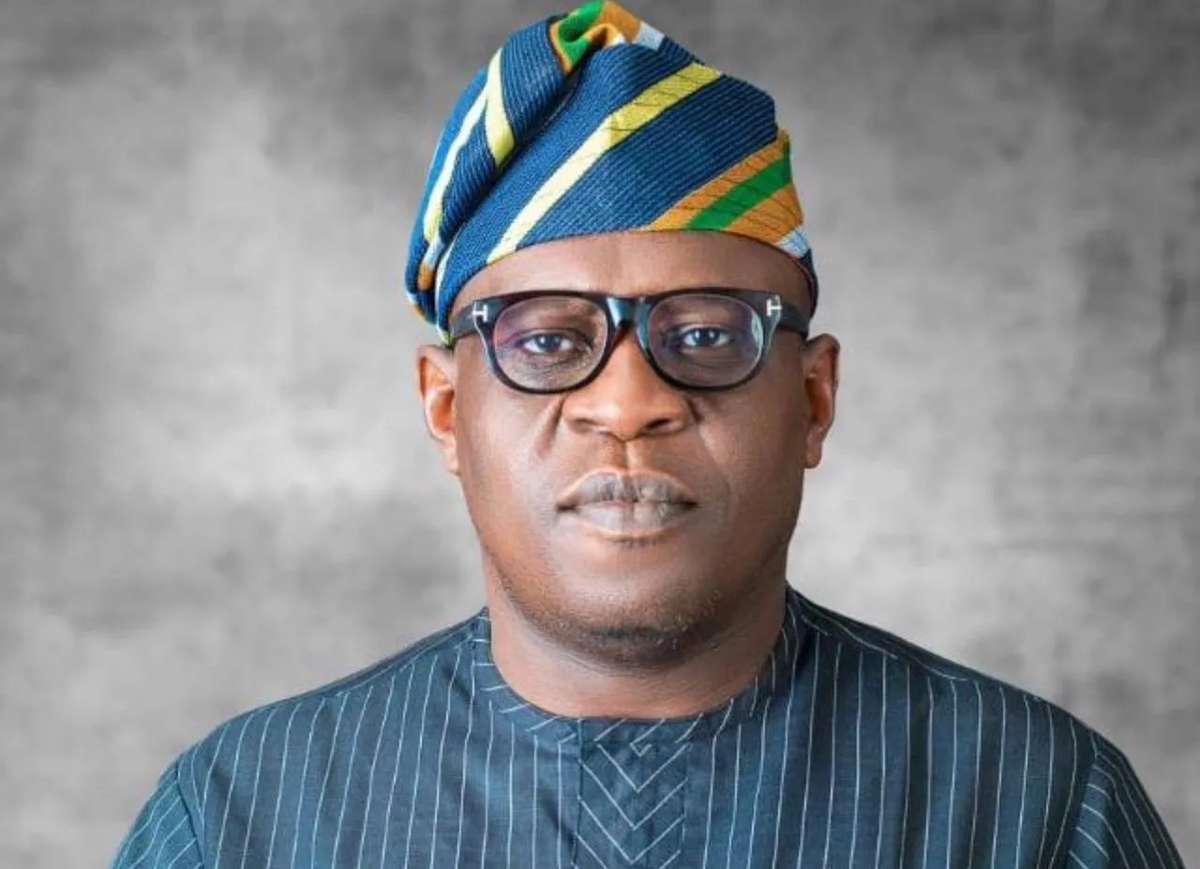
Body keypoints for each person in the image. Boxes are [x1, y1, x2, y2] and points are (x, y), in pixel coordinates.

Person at [111, 2, 1184, 866]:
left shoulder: (1038, 806)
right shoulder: (241, 817)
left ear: (813, 399)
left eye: (707, 334)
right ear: (446, 409)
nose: (627, 403)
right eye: (545, 340)